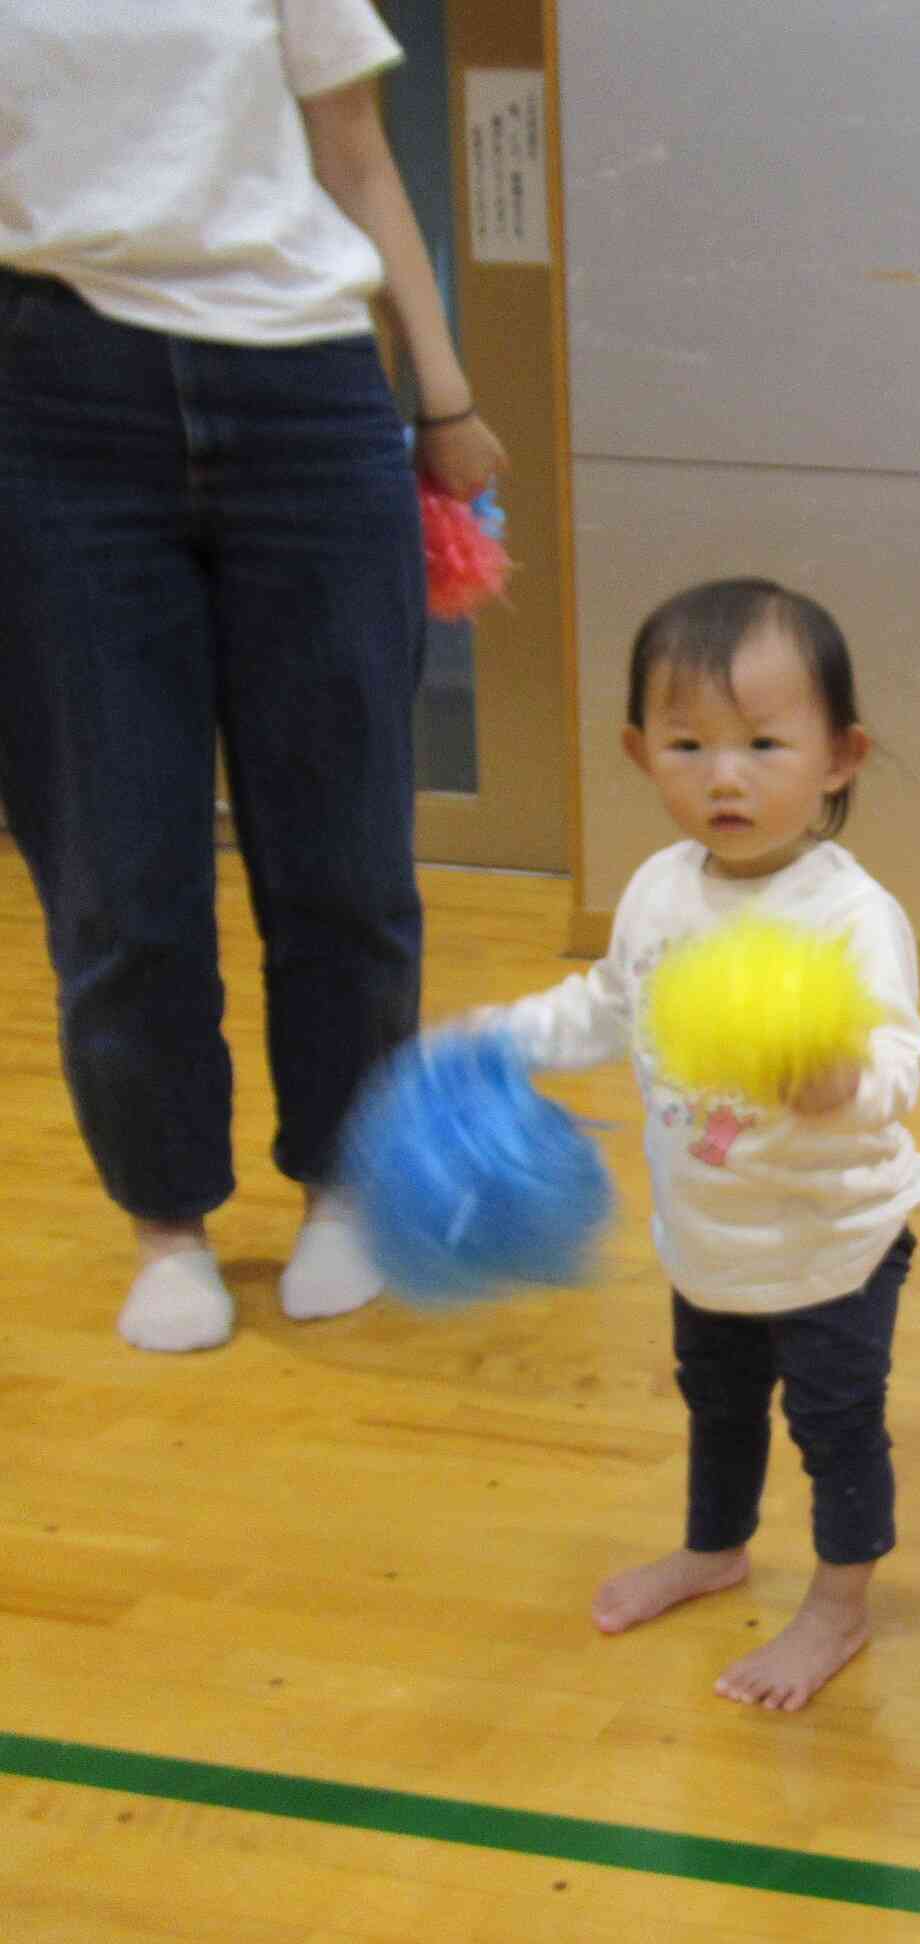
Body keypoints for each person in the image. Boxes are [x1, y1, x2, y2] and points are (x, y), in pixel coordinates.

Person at [0, 1, 506, 1351]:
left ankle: (344, 1188)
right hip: (55, 404)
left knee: (344, 856)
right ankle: (168, 1224)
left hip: (307, 392)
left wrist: (444, 397)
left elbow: (357, 157)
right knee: (116, 871)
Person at [479, 579, 920, 1712]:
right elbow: (606, 1006)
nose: (724, 775)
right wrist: (497, 1040)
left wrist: (838, 1079)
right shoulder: (655, 894)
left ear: (841, 757)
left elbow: (896, 1067)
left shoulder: (848, 916)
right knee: (717, 1405)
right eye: (688, 743)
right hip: (708, 1234)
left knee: (834, 1428)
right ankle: (714, 1548)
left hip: (836, 1242)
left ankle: (838, 1605)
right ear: (640, 753)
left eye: (764, 743)